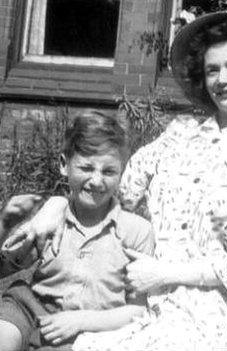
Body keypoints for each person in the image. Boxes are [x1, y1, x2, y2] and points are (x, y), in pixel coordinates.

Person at [22, 11, 227, 351]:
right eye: (212, 69)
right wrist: (56, 204)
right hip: (155, 301)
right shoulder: (177, 138)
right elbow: (112, 189)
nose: (222, 79)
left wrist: (163, 273)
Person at [0, 111, 155, 351]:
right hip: (30, 308)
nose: (96, 180)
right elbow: (4, 268)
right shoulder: (48, 217)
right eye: (86, 168)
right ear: (64, 165)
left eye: (108, 171)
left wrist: (81, 321)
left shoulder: (136, 232)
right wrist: (5, 223)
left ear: (121, 172)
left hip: (88, 327)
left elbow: (138, 309)